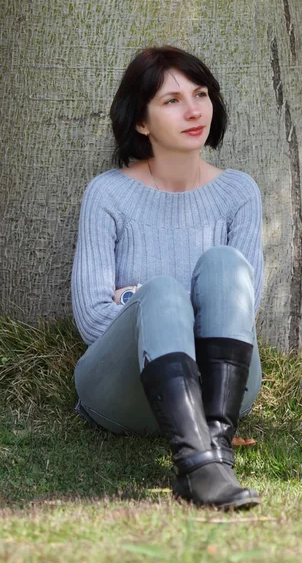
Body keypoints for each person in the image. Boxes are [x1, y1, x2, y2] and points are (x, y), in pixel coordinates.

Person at [71, 45, 264, 510]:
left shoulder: (239, 193)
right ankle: (203, 465)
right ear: (141, 121)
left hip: (224, 387)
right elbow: (94, 319)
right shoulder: (108, 194)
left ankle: (208, 456)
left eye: (200, 94)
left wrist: (132, 296)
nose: (193, 110)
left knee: (223, 264)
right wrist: (158, 298)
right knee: (163, 291)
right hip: (122, 388)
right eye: (171, 100)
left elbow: (239, 308)